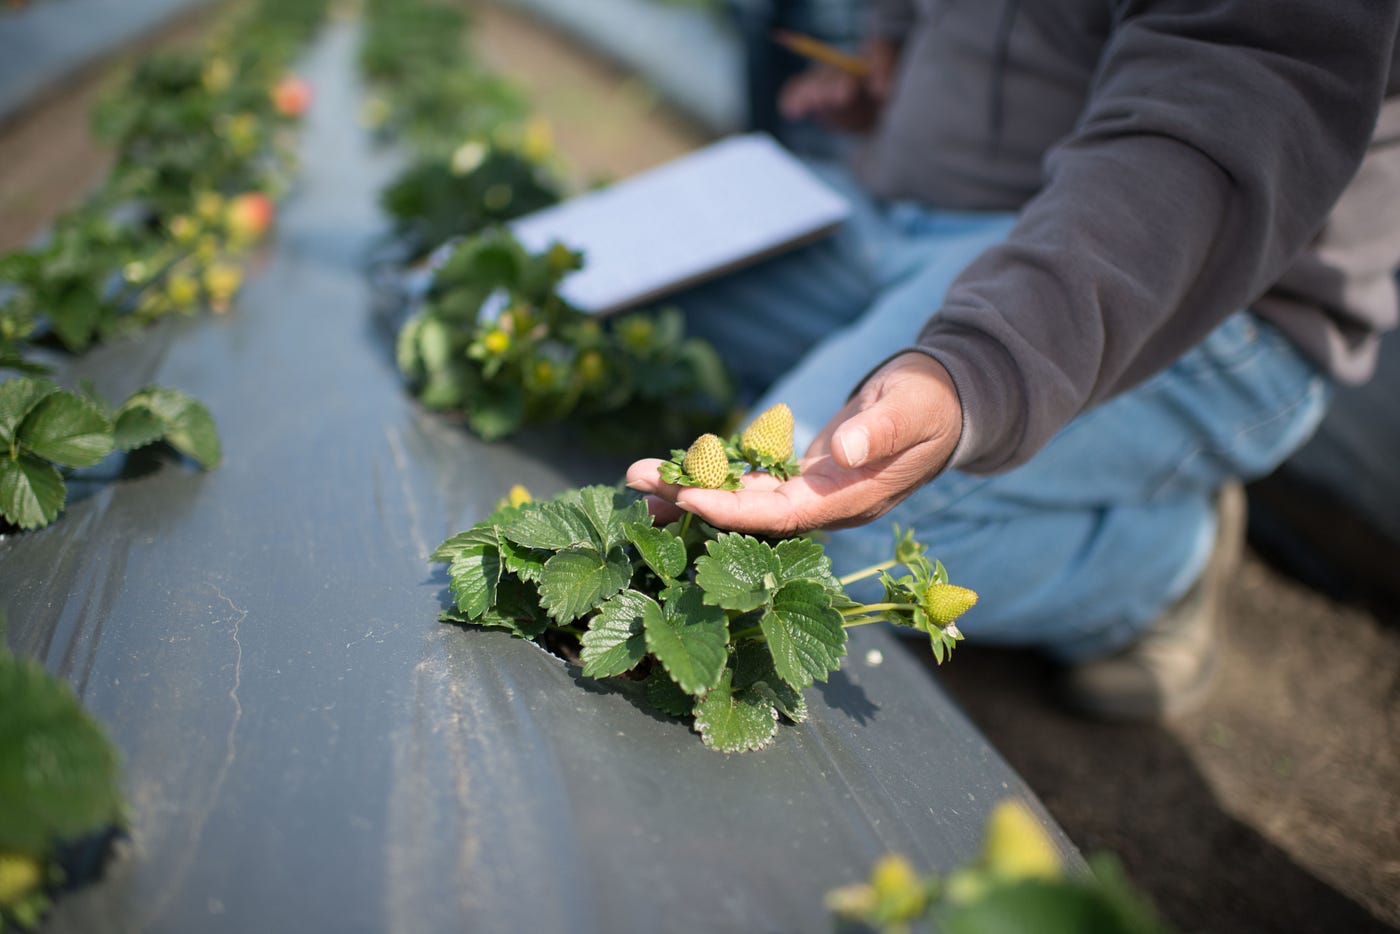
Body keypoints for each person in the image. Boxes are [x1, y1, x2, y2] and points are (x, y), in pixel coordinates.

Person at [627, 0, 1400, 720]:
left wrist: (979, 366)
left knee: (810, 530)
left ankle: (1157, 569)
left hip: (1190, 289)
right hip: (916, 212)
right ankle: (1029, 459)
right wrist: (900, 54)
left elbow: (1236, 89)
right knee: (620, 294)